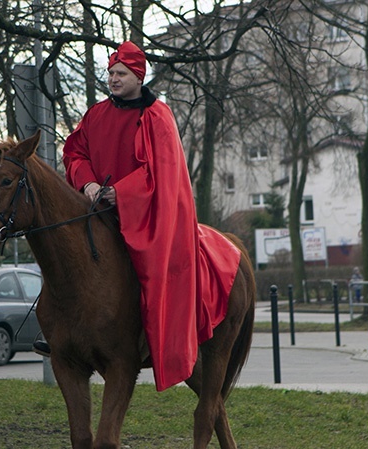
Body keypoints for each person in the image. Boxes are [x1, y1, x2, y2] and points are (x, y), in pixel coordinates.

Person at [41, 41, 241, 392]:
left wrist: (122, 193)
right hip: (97, 211)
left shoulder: (157, 116)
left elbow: (162, 171)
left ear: (138, 76)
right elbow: (75, 151)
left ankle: (152, 336)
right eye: (111, 73)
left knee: (148, 269)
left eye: (120, 74)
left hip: (144, 216)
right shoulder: (96, 114)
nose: (114, 79)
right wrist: (87, 182)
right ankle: (64, 334)